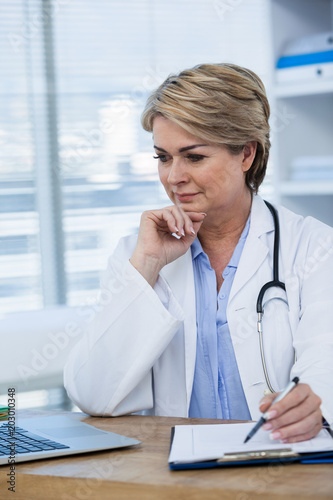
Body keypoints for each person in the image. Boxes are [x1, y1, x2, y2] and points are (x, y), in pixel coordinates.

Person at [64, 63, 333, 443]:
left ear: (246, 155)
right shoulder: (136, 253)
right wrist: (146, 266)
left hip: (282, 468)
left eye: (193, 157)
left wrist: (314, 406)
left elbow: (327, 362)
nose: (174, 177)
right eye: (163, 157)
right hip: (175, 479)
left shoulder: (314, 246)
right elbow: (93, 395)